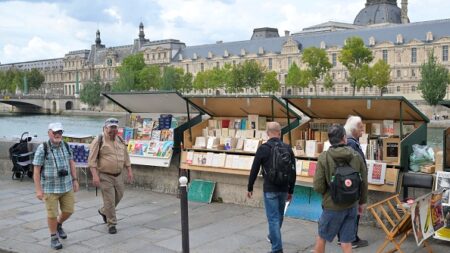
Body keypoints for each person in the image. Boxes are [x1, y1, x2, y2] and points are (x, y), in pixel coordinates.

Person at [313, 124, 368, 253]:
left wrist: (327, 192)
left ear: (330, 139)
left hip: (332, 205)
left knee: (322, 237)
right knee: (346, 242)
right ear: (344, 138)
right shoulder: (356, 156)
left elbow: (318, 186)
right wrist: (362, 202)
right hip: (352, 205)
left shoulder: (324, 157)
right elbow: (364, 182)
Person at [247, 122, 296, 253]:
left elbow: (255, 168)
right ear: (279, 133)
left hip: (270, 188)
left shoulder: (264, 148)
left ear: (268, 133)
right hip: (284, 188)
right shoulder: (287, 148)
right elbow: (293, 171)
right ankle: (272, 236)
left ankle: (277, 249)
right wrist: (291, 189)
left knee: (273, 218)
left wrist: (250, 187)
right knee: (279, 216)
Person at [33, 122, 79, 250]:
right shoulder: (43, 148)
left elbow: (72, 162)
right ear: (49, 133)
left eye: (60, 132)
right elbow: (36, 170)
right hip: (50, 188)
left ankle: (58, 224)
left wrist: (75, 180)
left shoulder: (65, 145)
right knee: (52, 214)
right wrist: (38, 190)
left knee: (69, 210)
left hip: (66, 185)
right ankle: (54, 237)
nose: (58, 135)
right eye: (55, 132)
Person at [88, 118, 133, 234]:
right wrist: (95, 176)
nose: (113, 130)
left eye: (115, 128)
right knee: (110, 201)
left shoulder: (120, 139)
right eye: (111, 127)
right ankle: (112, 224)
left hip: (118, 175)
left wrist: (129, 170)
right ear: (105, 128)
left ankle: (104, 211)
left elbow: (125, 156)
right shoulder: (98, 140)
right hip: (105, 175)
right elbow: (91, 160)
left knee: (120, 195)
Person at [342, 115, 369, 248]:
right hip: (354, 183)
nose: (362, 130)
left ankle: (345, 238)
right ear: (353, 129)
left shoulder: (349, 141)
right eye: (360, 127)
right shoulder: (352, 143)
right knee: (354, 213)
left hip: (349, 182)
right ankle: (351, 239)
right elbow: (355, 164)